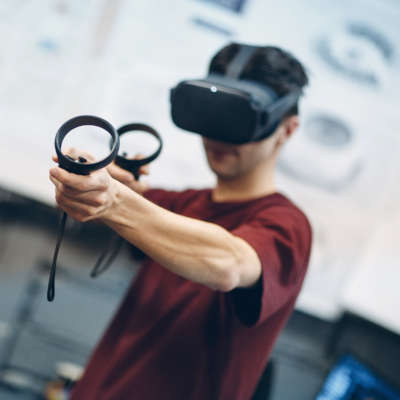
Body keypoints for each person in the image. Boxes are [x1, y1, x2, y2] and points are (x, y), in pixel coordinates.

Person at [49, 43, 312, 400]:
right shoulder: (180, 204)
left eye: (238, 121)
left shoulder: (288, 225)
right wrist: (96, 184)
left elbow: (229, 263)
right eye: (214, 116)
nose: (218, 136)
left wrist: (115, 200)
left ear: (288, 129)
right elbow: (139, 208)